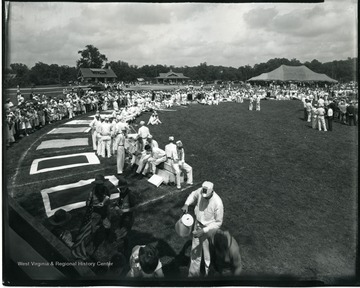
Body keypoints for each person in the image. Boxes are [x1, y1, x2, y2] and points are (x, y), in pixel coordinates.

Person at [181, 181, 224, 277]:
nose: (203, 197)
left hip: (208, 230)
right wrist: (187, 204)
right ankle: (192, 275)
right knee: (195, 250)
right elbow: (193, 195)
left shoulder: (218, 203)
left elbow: (218, 222)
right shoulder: (201, 191)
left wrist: (204, 231)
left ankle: (208, 274)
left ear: (211, 192)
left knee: (208, 253)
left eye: (206, 196)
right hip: (198, 225)